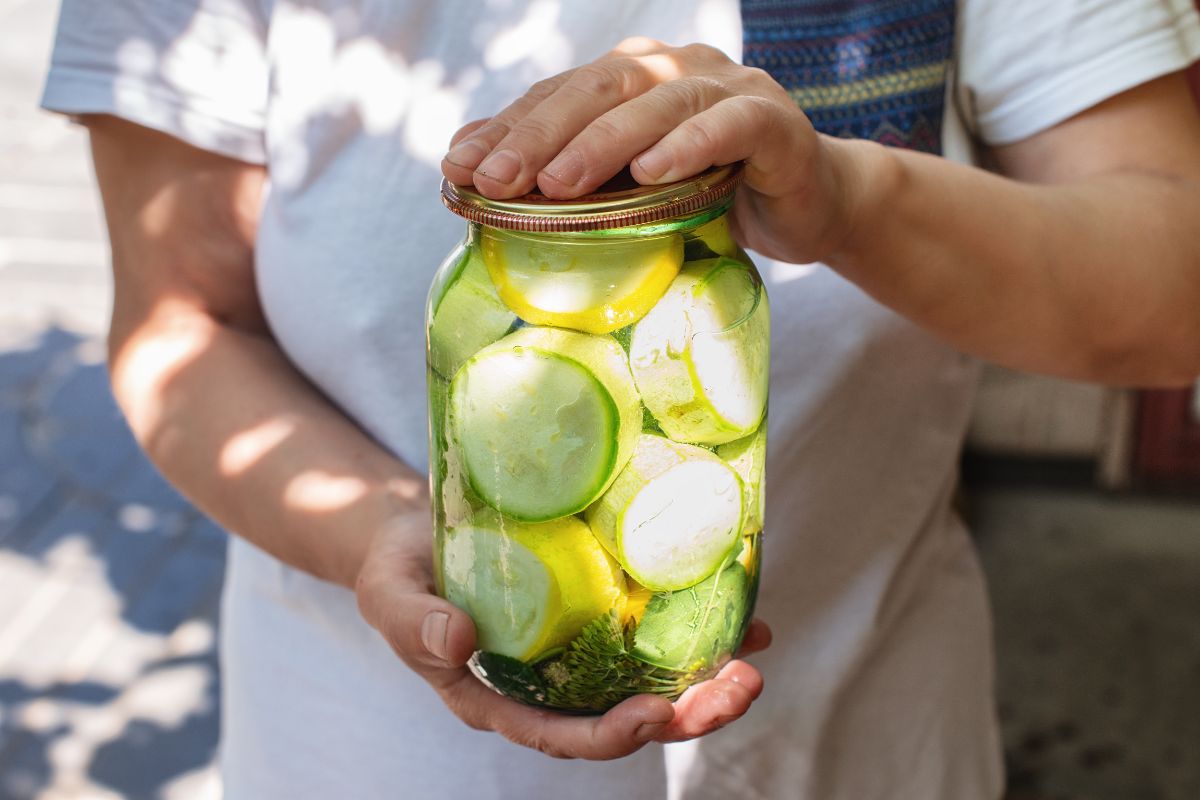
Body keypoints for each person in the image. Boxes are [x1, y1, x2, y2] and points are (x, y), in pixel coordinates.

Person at [41, 0, 1200, 797]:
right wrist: (386, 536)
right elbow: (181, 327)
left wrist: (849, 195)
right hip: (363, 753)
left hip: (866, 738)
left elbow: (1171, 288)